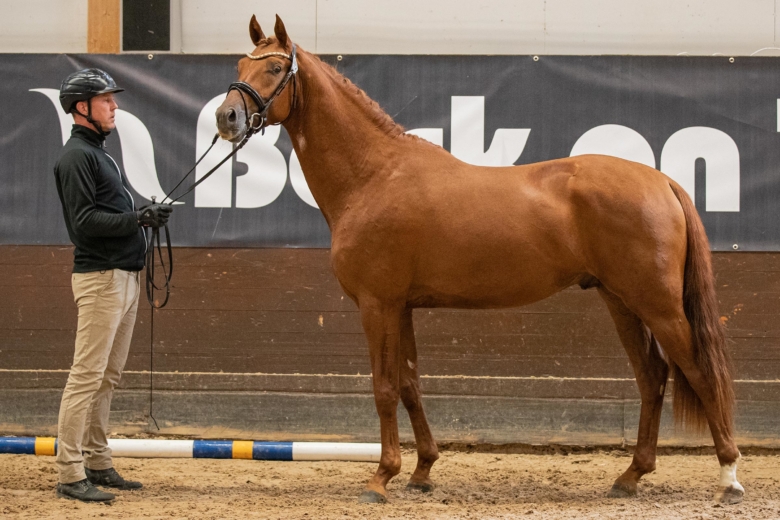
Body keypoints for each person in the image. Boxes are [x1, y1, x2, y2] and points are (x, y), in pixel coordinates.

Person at [53, 68, 172, 502]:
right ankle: (69, 472)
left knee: (107, 377)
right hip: (101, 278)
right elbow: (83, 224)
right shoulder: (76, 158)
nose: (114, 107)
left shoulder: (100, 154)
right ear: (82, 108)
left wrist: (142, 212)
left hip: (121, 277)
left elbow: (107, 212)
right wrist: (136, 218)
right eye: (106, 101)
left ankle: (97, 460)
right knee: (86, 376)